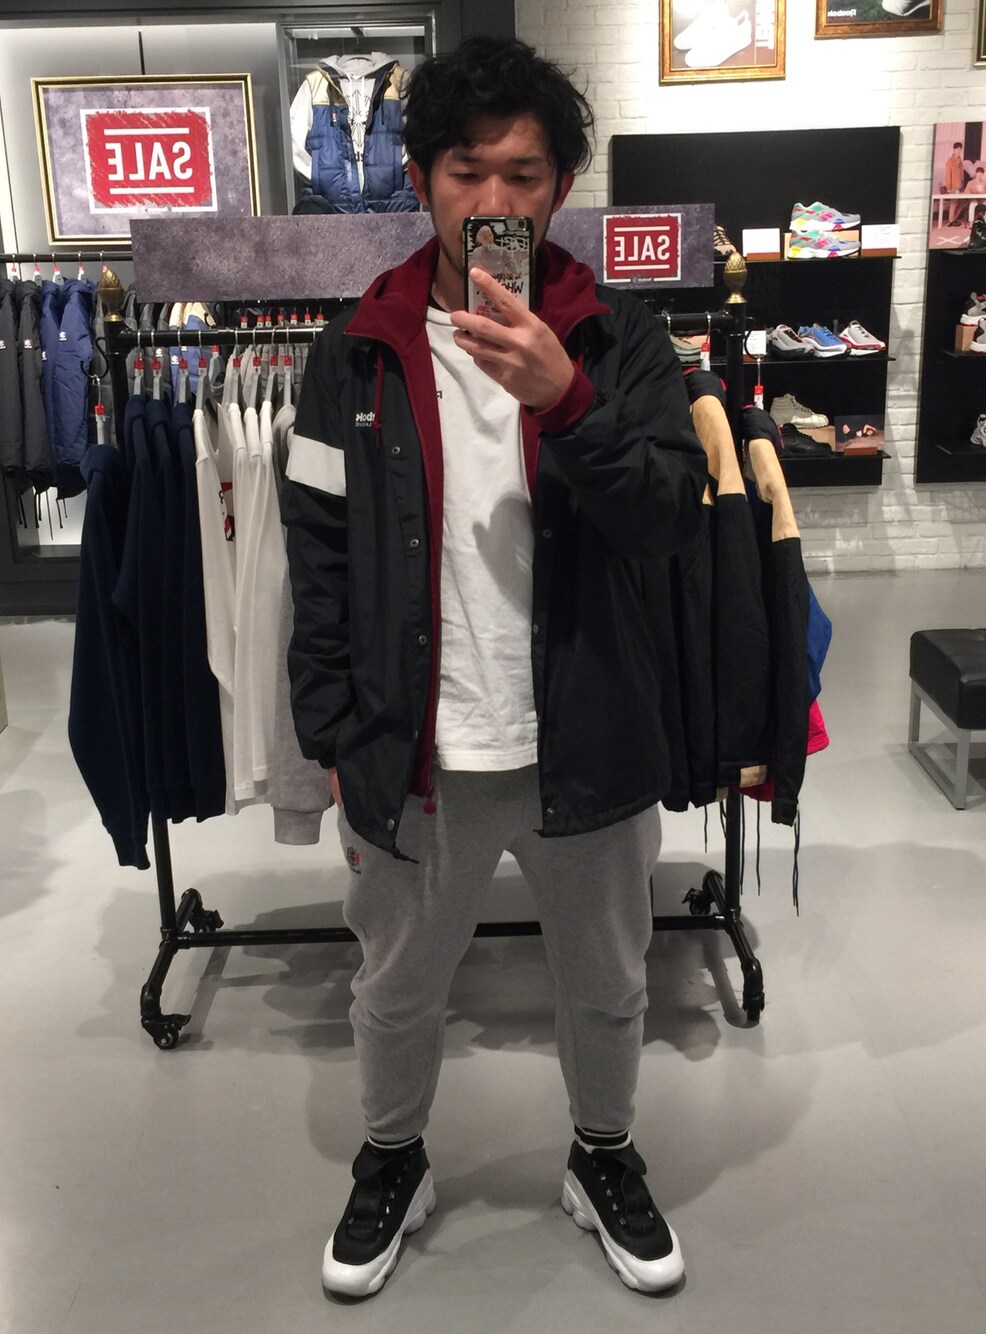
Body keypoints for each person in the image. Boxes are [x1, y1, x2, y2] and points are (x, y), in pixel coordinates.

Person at [282, 35, 707, 1300]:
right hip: (415, 743)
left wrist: (568, 400)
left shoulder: (619, 338)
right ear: (420, 180)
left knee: (608, 981)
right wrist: (329, 721)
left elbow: (668, 520)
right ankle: (393, 1155)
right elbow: (317, 544)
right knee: (395, 984)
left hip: (587, 731)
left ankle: (602, 1151)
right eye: (467, 170)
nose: (494, 199)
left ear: (560, 188)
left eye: (524, 174)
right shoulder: (355, 349)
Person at [943, 140, 965, 226]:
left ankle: (953, 219)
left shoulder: (960, 160)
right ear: (954, 150)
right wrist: (949, 187)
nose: (958, 151)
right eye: (957, 149)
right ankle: (951, 220)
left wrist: (962, 184)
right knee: (954, 202)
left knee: (962, 202)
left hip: (960, 185)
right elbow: (948, 175)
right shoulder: (950, 161)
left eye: (960, 149)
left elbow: (961, 174)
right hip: (953, 186)